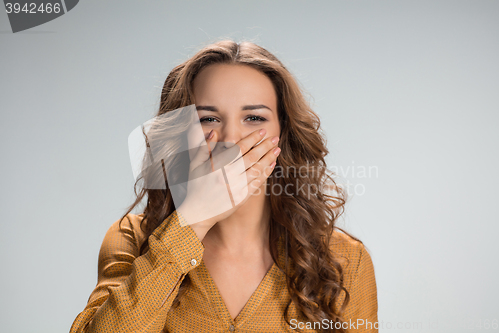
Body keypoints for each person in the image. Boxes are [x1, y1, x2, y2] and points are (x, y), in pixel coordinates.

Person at [69, 40, 378, 333]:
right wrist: (194, 221)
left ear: (283, 135)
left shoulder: (345, 260)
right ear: (181, 136)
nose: (230, 139)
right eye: (209, 119)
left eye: (254, 117)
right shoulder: (131, 239)